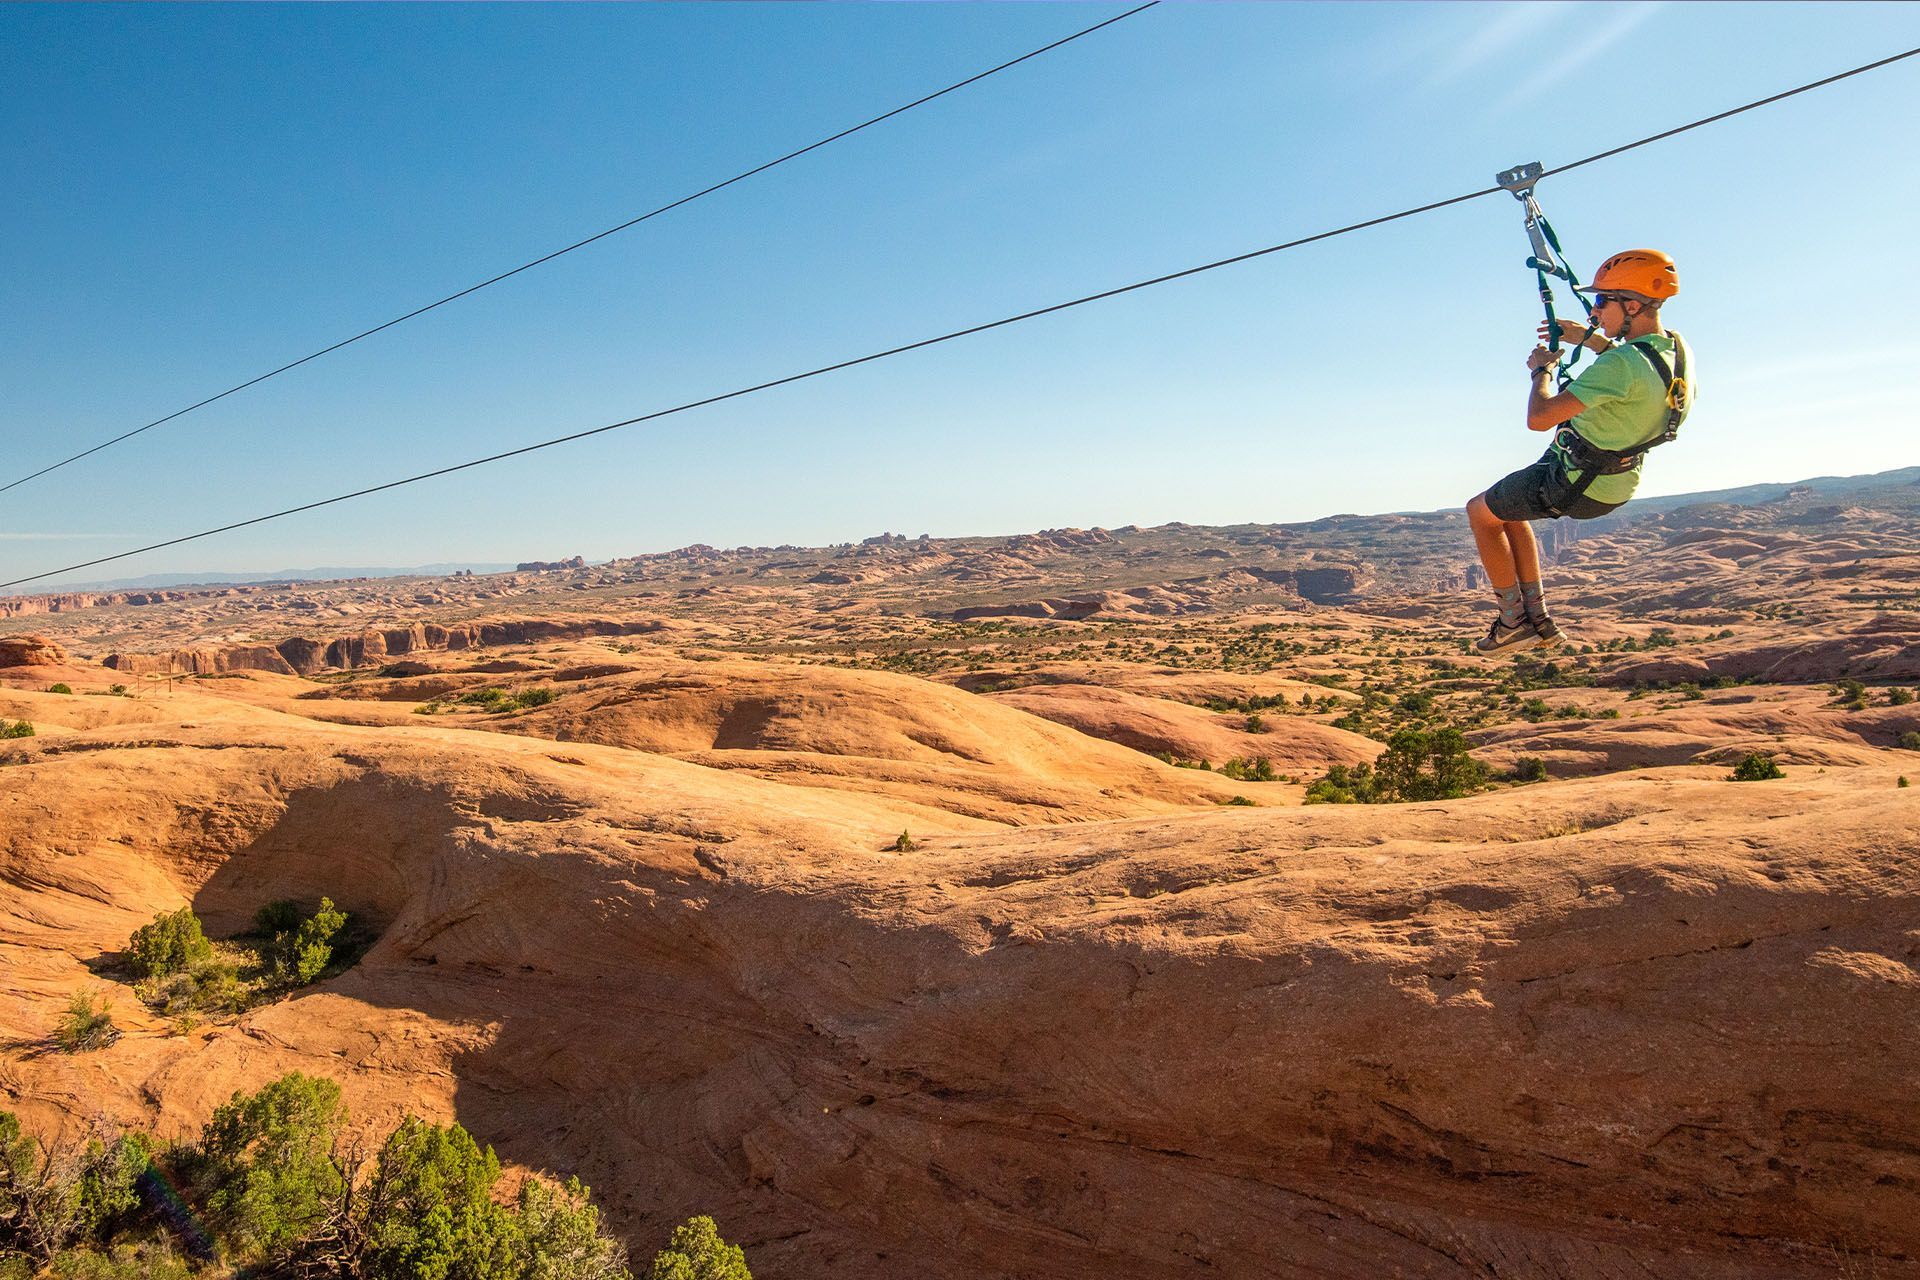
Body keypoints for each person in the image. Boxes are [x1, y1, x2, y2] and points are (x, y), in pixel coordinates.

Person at [1466, 249, 1692, 654]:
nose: (1595, 309)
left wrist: (1542, 371)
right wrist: (1589, 340)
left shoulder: (1622, 365)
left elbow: (1540, 418)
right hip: (1615, 479)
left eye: (1603, 301)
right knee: (1509, 513)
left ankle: (1513, 621)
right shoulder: (1674, 350)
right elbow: (1636, 370)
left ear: (1633, 305)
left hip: (1576, 481)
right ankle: (1538, 618)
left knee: (1480, 513)